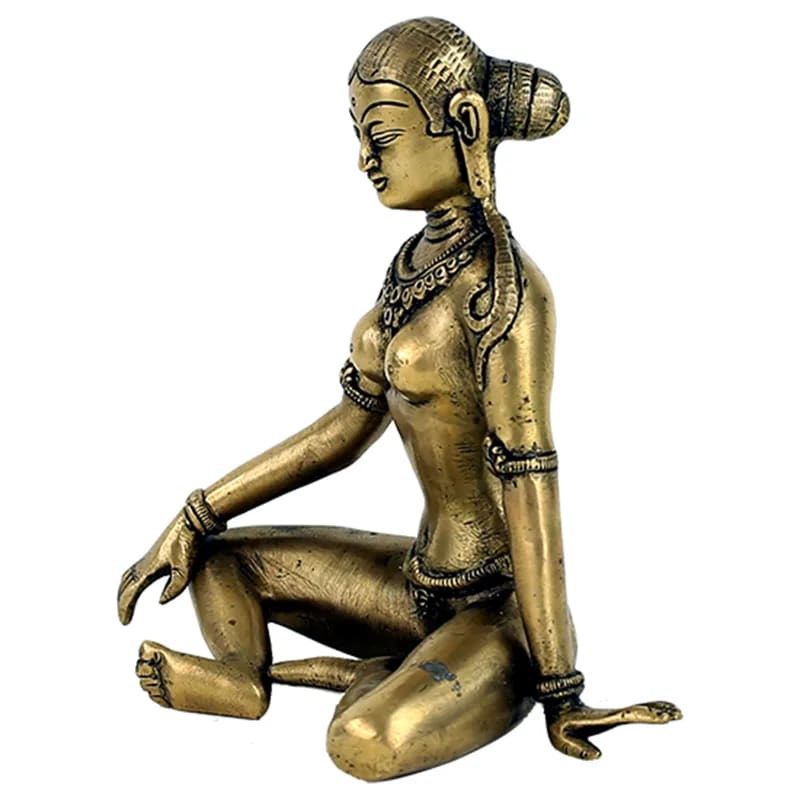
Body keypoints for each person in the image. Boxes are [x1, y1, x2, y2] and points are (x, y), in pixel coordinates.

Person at [117, 17, 680, 781]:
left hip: (497, 613)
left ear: (466, 124)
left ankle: (366, 680)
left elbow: (531, 486)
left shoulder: (504, 296)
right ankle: (245, 681)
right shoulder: (412, 265)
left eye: (380, 135)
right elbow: (344, 432)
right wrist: (195, 514)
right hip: (416, 581)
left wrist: (561, 689)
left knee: (363, 741)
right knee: (218, 560)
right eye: (358, 136)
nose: (364, 160)